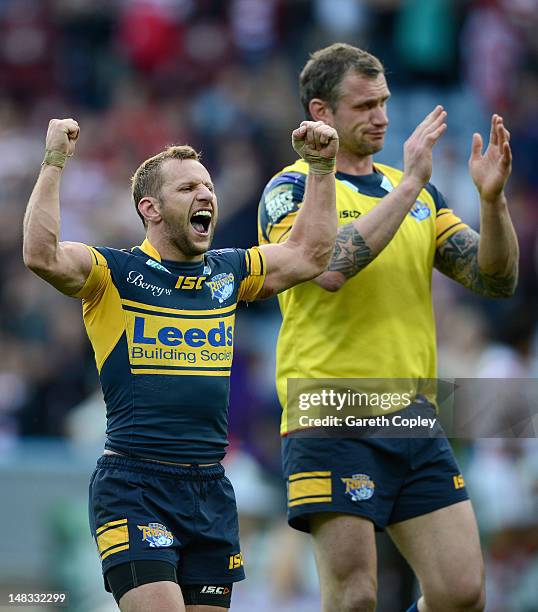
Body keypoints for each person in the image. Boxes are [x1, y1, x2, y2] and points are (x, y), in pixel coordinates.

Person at [23, 117, 339, 612]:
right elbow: (41, 255)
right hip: (134, 486)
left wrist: (321, 168)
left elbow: (311, 253)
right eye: (188, 187)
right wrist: (55, 161)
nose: (206, 195)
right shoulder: (113, 273)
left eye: (209, 186)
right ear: (150, 208)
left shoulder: (229, 272)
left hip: (211, 489)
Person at [258, 43, 518, 612]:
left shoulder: (420, 194)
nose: (381, 116)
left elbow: (494, 279)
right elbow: (327, 268)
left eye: (384, 102)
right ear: (321, 112)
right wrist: (407, 186)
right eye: (364, 105)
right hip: (328, 408)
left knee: (462, 592)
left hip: (413, 411)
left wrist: (492, 202)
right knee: (354, 597)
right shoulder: (292, 189)